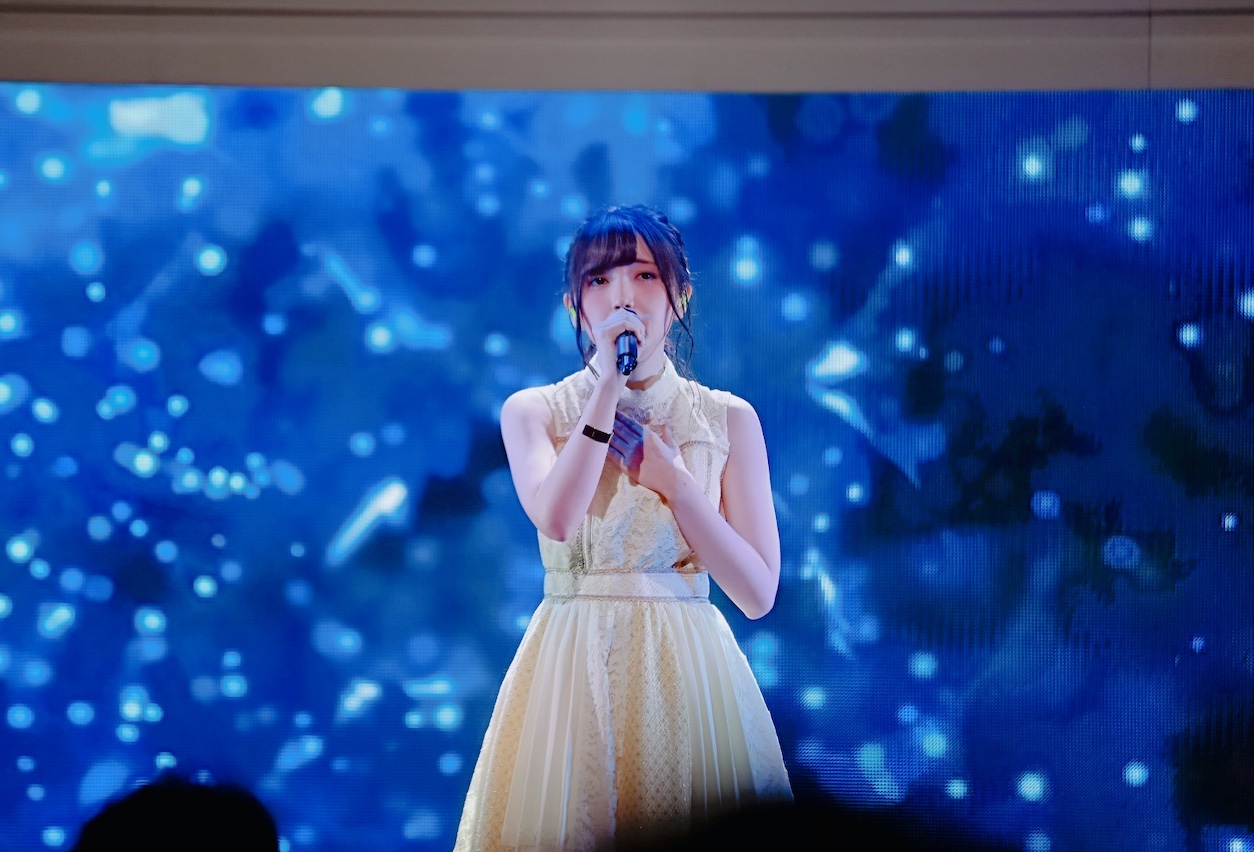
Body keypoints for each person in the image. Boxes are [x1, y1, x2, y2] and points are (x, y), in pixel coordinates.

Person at [455, 205, 791, 851]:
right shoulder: (536, 411)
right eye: (600, 280)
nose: (623, 297)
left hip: (686, 665)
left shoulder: (727, 419)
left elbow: (757, 593)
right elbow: (557, 516)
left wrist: (676, 485)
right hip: (573, 660)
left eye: (643, 275)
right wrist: (607, 386)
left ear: (679, 297)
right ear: (574, 307)